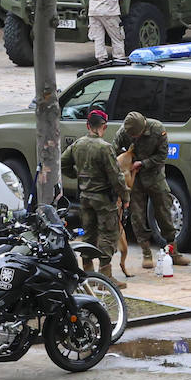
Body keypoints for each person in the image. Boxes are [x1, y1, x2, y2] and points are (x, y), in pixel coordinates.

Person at [115, 111, 191, 270]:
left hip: (154, 175)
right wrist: (125, 164)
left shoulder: (157, 129)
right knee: (137, 215)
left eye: (137, 135)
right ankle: (146, 253)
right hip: (134, 178)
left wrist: (143, 163)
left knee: (164, 209)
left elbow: (162, 156)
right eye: (132, 136)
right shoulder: (124, 132)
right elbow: (114, 152)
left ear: (144, 127)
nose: (134, 138)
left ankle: (173, 252)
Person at [60, 110, 128, 288]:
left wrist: (77, 175)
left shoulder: (77, 145)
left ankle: (87, 274)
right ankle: (105, 277)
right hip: (103, 199)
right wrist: (125, 196)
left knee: (89, 234)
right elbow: (116, 176)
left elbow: (63, 162)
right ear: (103, 127)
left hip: (85, 197)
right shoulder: (105, 148)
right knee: (108, 235)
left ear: (87, 125)